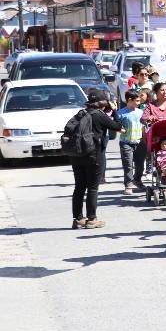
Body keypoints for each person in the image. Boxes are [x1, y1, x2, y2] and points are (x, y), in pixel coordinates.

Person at [69, 90, 123, 229]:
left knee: (79, 187)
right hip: (93, 155)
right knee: (93, 187)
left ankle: (78, 218)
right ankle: (92, 219)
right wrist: (115, 111)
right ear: (103, 103)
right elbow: (117, 126)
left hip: (77, 155)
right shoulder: (100, 115)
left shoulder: (81, 114)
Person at [118, 90, 146, 195]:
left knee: (140, 165)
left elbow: (144, 127)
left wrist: (145, 139)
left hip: (140, 142)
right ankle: (128, 184)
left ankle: (137, 180)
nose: (139, 103)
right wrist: (120, 129)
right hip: (126, 142)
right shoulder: (120, 113)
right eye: (137, 101)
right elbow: (116, 126)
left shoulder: (141, 112)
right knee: (128, 165)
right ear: (129, 100)